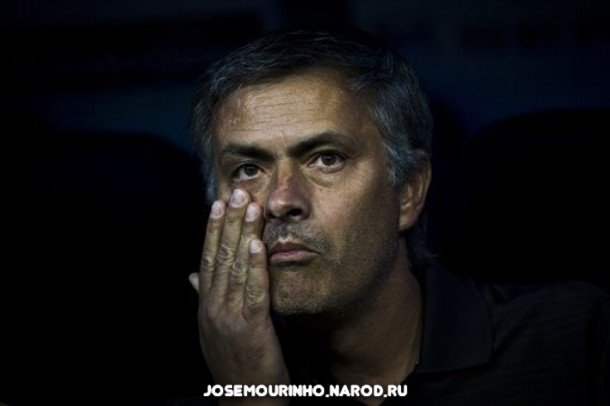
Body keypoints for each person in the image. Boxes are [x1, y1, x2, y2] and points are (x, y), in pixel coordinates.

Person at [182, 29, 609, 405]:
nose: (281, 201)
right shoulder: (204, 389)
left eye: (327, 159)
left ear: (409, 190)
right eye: (248, 170)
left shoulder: (575, 337)